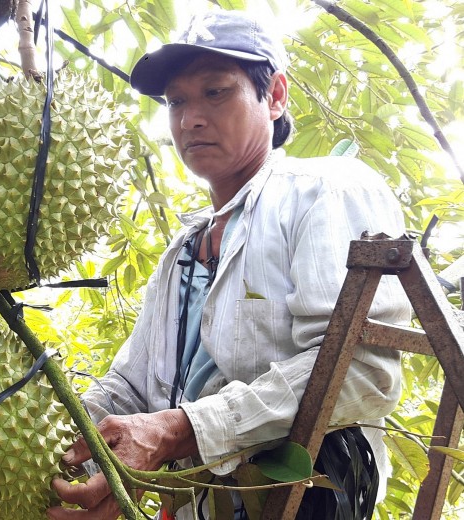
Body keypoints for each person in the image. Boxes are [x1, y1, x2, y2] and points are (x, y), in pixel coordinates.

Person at [47, 9, 411, 520]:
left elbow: (361, 369)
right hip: (200, 504)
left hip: (306, 495)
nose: (189, 118)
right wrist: (59, 446)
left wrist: (183, 429)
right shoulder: (185, 248)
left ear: (276, 95)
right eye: (176, 101)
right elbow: (131, 388)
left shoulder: (325, 189)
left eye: (216, 92)